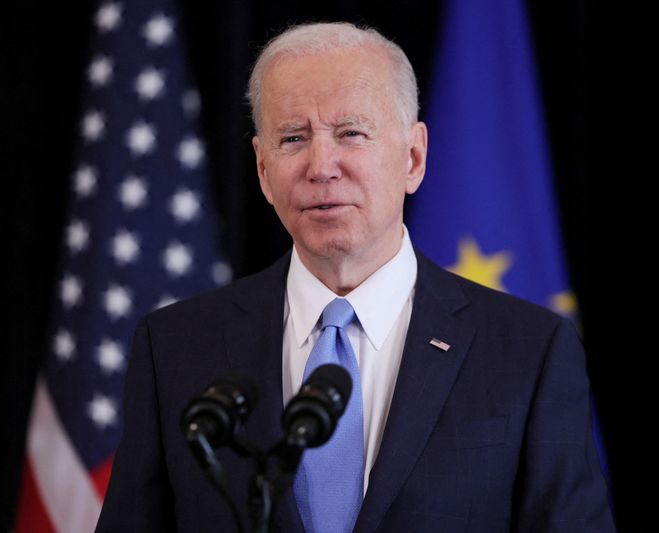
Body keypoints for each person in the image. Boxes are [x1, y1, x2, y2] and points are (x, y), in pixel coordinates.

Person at [96, 22, 615, 532]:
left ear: (413, 157)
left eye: (351, 133)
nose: (321, 166)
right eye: (294, 138)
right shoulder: (176, 348)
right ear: (262, 169)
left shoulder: (530, 350)